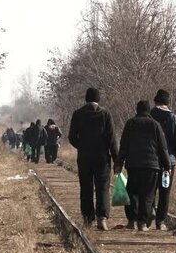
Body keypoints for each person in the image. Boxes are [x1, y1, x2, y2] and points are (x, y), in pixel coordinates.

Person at [115, 100, 170, 231]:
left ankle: (132, 220)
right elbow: (163, 148)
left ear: (137, 110)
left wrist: (119, 163)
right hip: (151, 166)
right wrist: (167, 165)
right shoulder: (155, 125)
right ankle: (142, 223)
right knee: (148, 195)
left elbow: (123, 146)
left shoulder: (130, 124)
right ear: (148, 111)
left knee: (132, 193)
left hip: (133, 165)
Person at [69, 87, 118, 230]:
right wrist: (117, 160)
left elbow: (72, 137)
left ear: (86, 98)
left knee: (86, 187)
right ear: (98, 99)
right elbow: (112, 139)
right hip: (102, 158)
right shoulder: (105, 114)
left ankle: (87, 219)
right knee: (102, 187)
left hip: (84, 157)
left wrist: (82, 146)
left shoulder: (78, 114)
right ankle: (102, 218)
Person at [150, 89, 176, 231]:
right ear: (167, 103)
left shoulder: (149, 116)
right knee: (165, 191)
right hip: (168, 162)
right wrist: (173, 156)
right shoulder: (174, 119)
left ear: (155, 101)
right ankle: (160, 221)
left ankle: (147, 216)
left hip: (151, 160)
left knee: (149, 189)